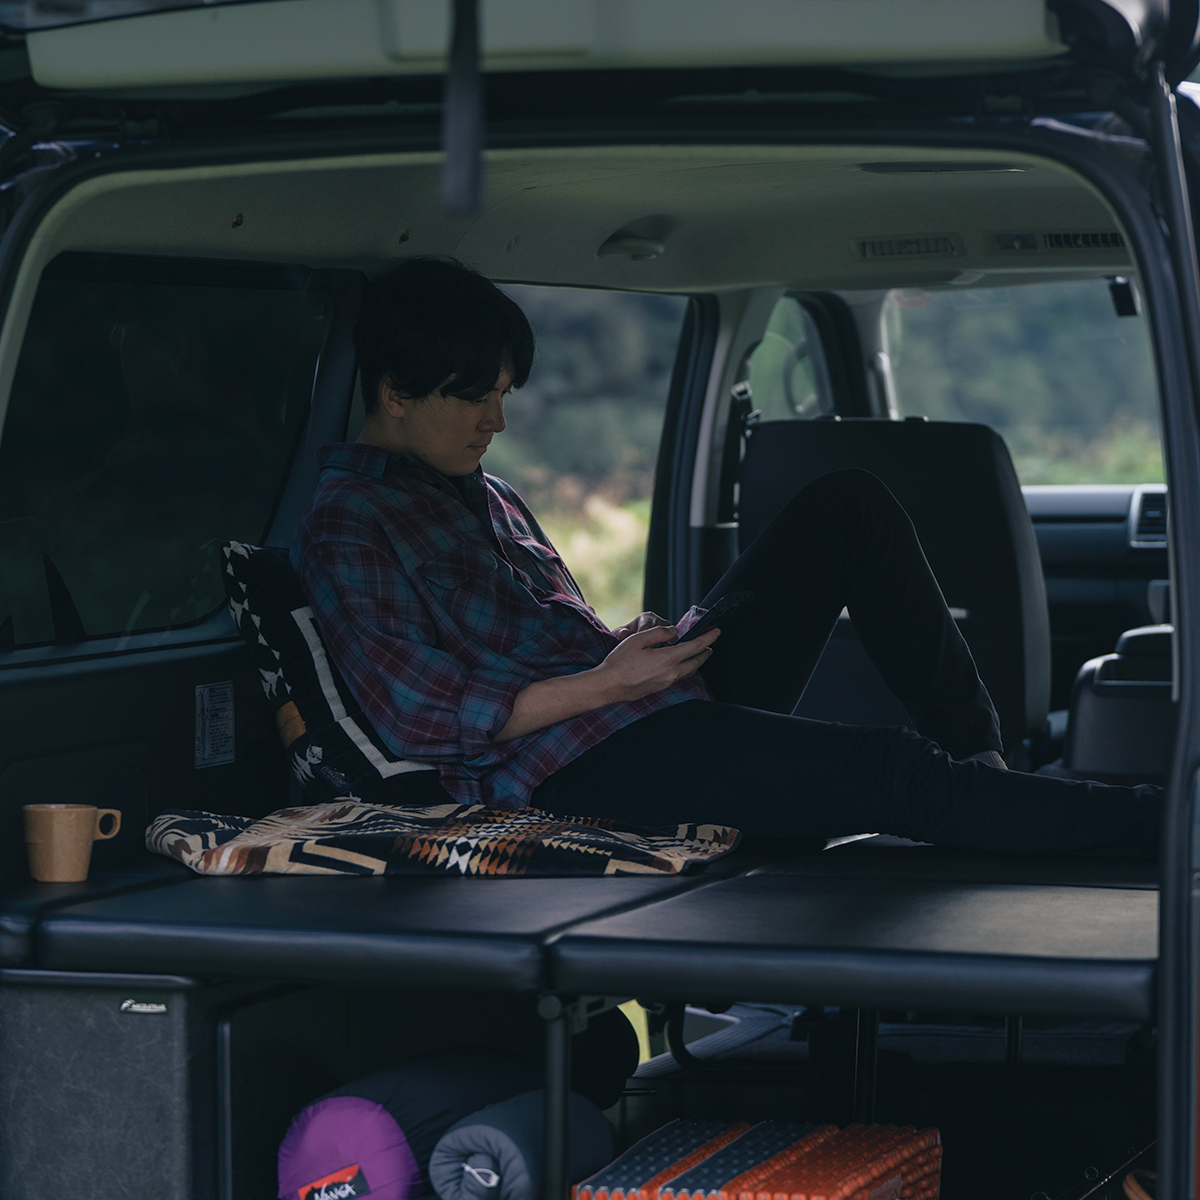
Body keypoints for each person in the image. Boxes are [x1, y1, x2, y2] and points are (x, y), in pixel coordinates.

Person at [294, 257, 1160, 856]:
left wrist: (628, 651)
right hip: (566, 770)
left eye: (502, 394)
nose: (499, 420)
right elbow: (420, 716)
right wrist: (610, 683)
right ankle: (1162, 826)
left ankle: (983, 766)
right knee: (888, 770)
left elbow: (540, 641)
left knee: (848, 505)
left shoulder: (484, 490)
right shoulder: (350, 523)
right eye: (475, 399)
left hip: (634, 706)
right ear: (395, 393)